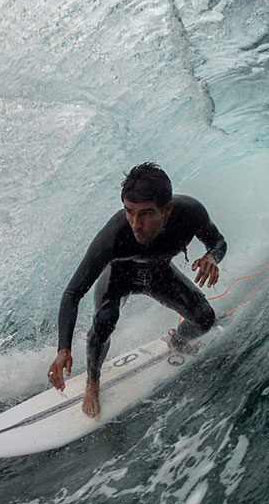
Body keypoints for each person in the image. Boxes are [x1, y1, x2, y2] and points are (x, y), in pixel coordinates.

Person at [47, 162, 227, 417]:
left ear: (168, 209)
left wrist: (212, 257)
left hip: (160, 274)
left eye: (145, 213)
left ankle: (176, 341)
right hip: (118, 278)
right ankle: (93, 381)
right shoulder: (114, 235)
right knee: (105, 320)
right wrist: (63, 349)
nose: (135, 223)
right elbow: (72, 293)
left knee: (205, 318)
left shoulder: (190, 213)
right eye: (129, 211)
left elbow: (218, 241)